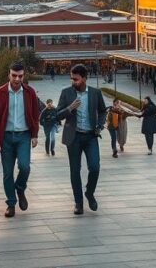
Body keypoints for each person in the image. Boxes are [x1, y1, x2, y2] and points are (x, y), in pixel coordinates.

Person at [0, 62, 41, 218]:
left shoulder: (30, 92)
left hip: (24, 135)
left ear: (24, 76)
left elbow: (35, 114)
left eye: (20, 76)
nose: (17, 79)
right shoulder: (0, 92)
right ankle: (11, 204)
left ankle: (20, 187)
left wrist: (34, 135)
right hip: (6, 138)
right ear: (9, 75)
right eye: (14, 75)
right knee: (7, 173)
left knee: (25, 167)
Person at [55, 64, 108, 215]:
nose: (73, 82)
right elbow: (57, 115)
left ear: (84, 78)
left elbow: (103, 111)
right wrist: (70, 108)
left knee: (95, 167)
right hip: (74, 137)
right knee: (75, 171)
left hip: (91, 136)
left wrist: (99, 125)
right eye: (72, 79)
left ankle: (89, 193)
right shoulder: (66, 93)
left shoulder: (95, 93)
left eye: (76, 79)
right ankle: (78, 203)